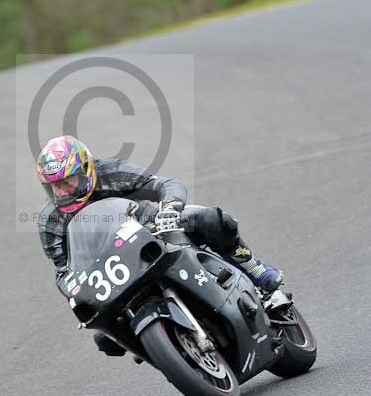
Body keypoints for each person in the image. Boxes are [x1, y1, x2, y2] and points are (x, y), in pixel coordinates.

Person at [36, 135, 283, 356]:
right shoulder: (51, 221)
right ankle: (160, 346)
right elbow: (63, 269)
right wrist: (75, 289)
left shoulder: (112, 172)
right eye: (54, 186)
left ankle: (254, 270)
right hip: (109, 267)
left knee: (211, 219)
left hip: (152, 229)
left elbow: (164, 185)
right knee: (105, 337)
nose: (61, 191)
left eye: (67, 181)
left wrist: (169, 209)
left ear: (87, 170)